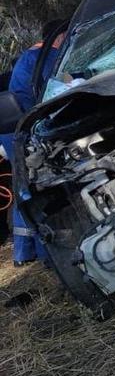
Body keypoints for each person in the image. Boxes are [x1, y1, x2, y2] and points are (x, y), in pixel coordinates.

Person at [4, 22, 66, 265]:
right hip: (21, 130)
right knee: (31, 188)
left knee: (27, 187)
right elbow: (58, 88)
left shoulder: (31, 55)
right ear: (59, 36)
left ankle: (29, 253)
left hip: (19, 127)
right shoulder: (45, 56)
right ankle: (39, 253)